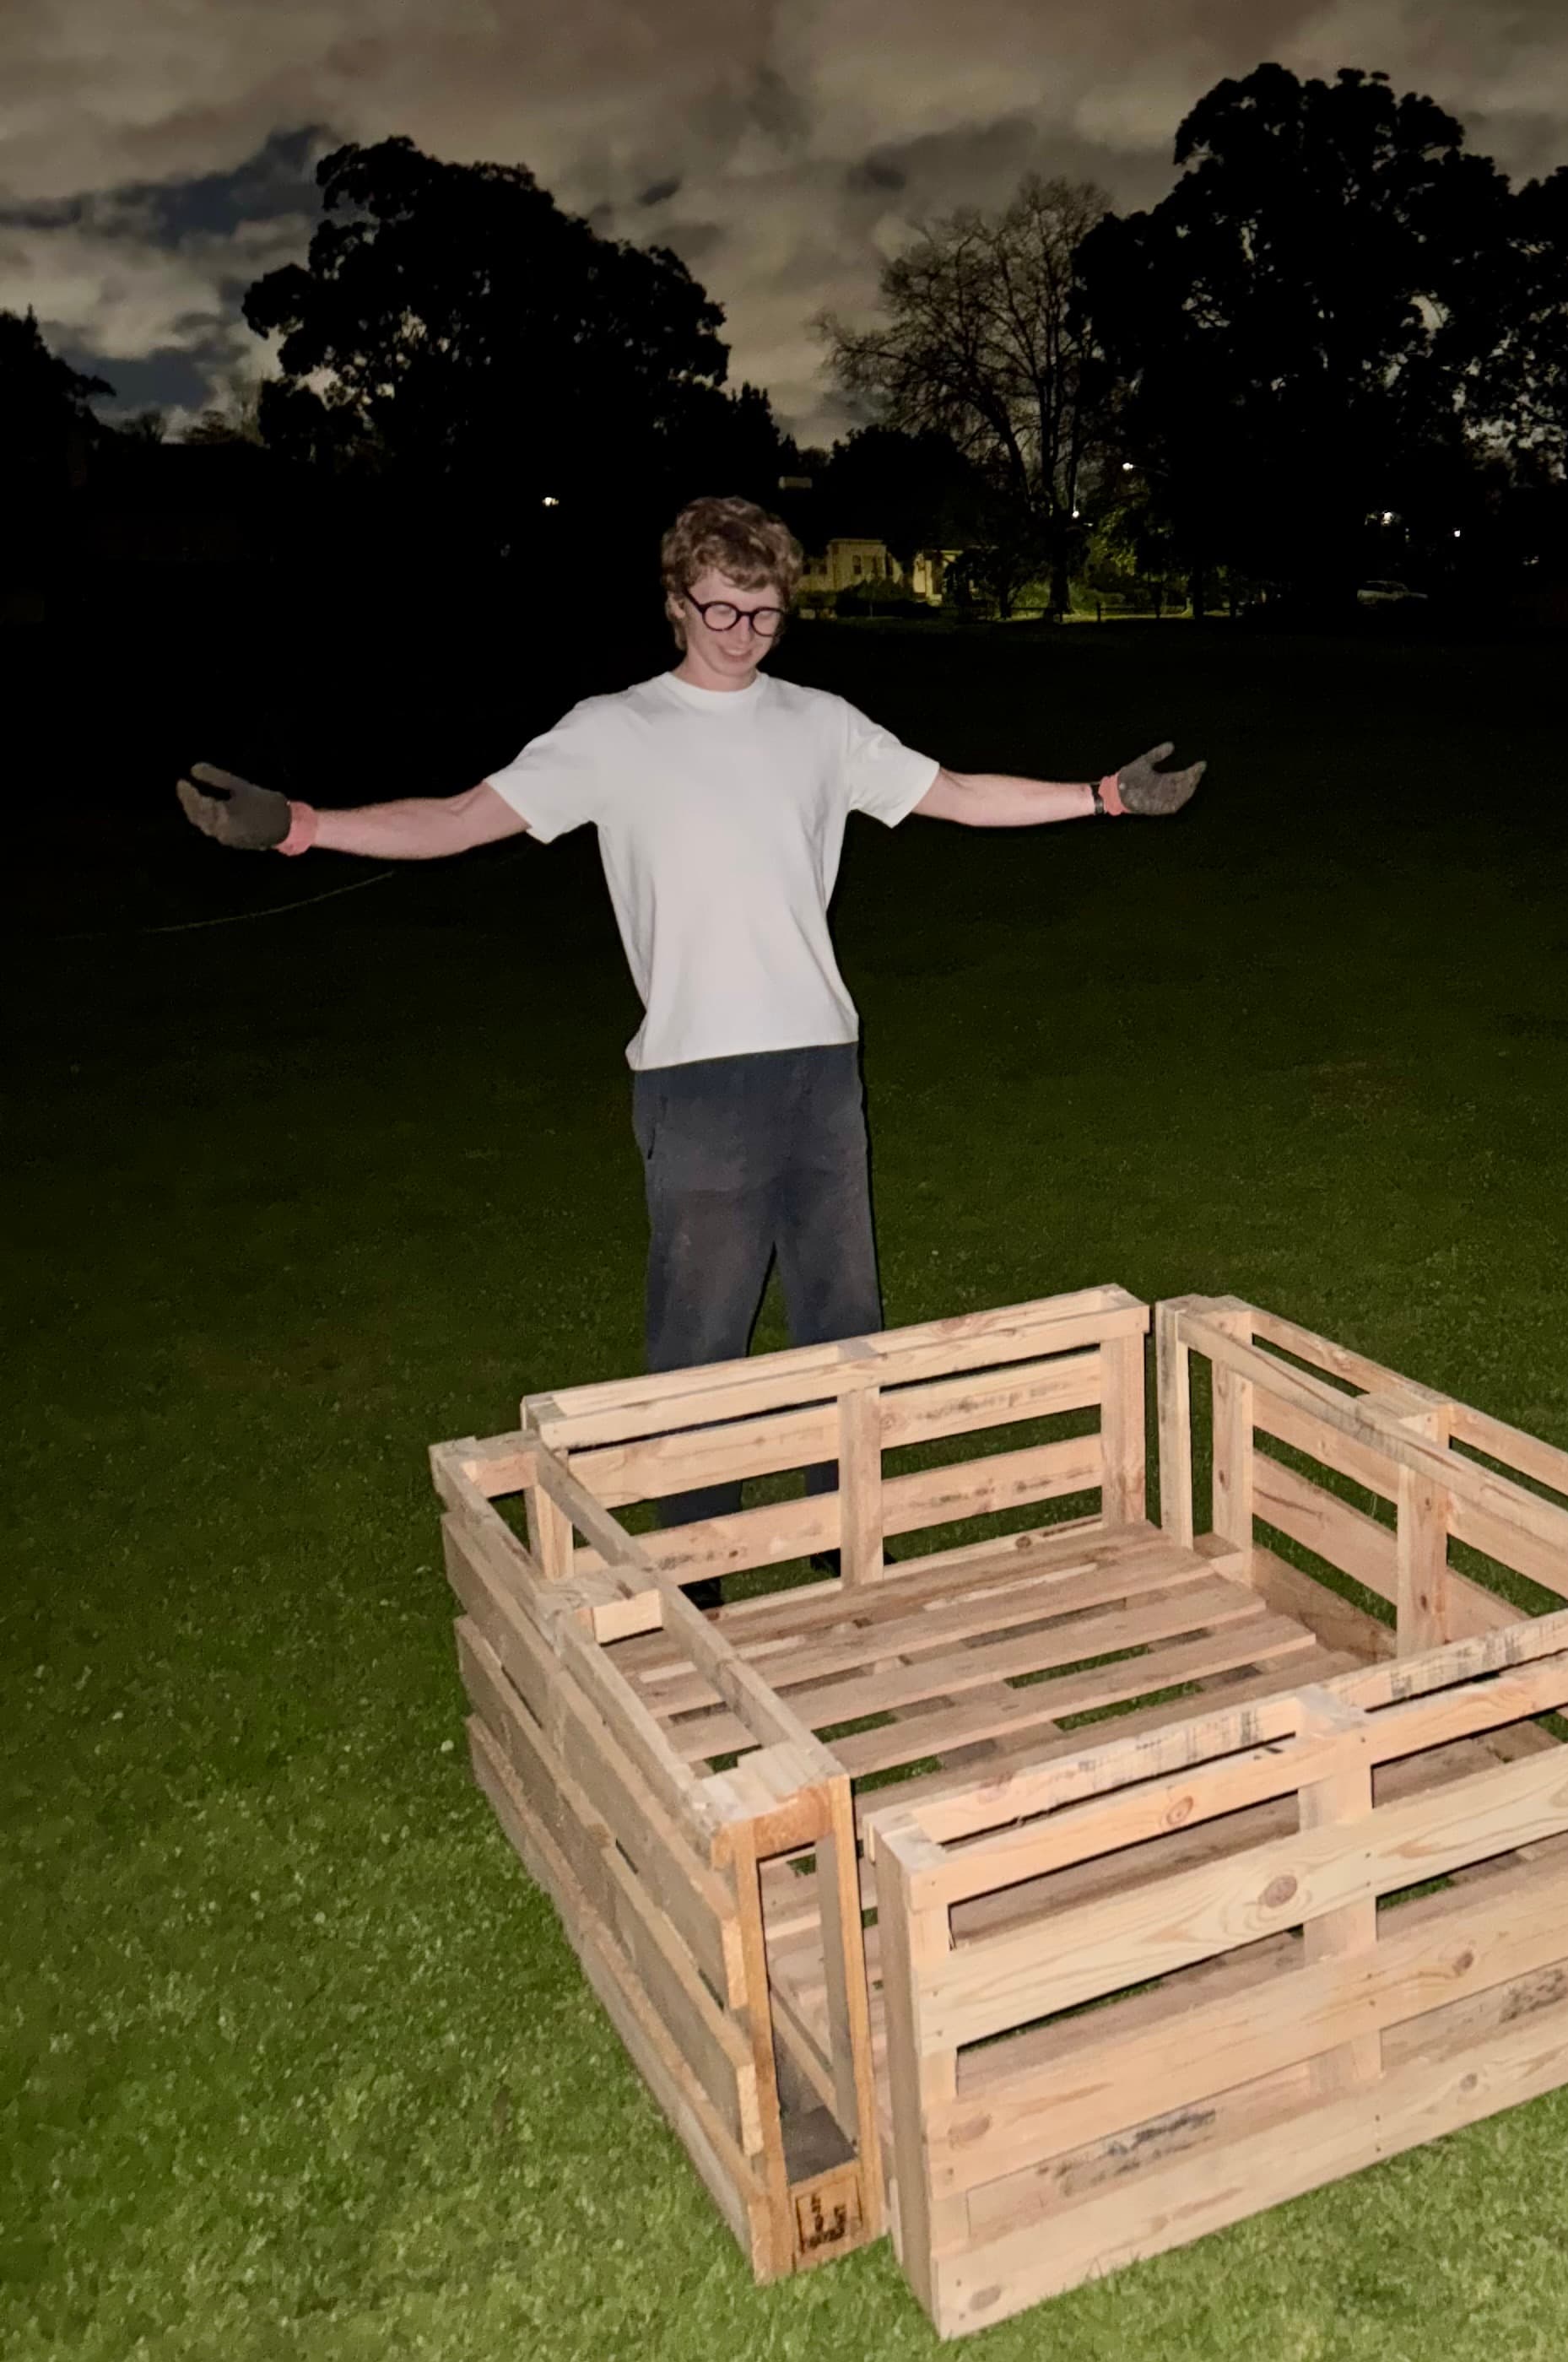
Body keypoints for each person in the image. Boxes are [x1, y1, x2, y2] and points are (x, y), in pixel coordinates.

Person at [176, 493, 1203, 1596]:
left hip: (821, 1069)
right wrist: (302, 828)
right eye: (718, 610)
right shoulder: (615, 733)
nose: (739, 635)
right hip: (696, 1081)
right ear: (675, 602)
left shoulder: (821, 724)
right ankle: (695, 1565)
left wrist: (1102, 798)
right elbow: (466, 815)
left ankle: (841, 1540)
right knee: (702, 1340)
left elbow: (953, 793)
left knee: (844, 1329)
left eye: (762, 616)